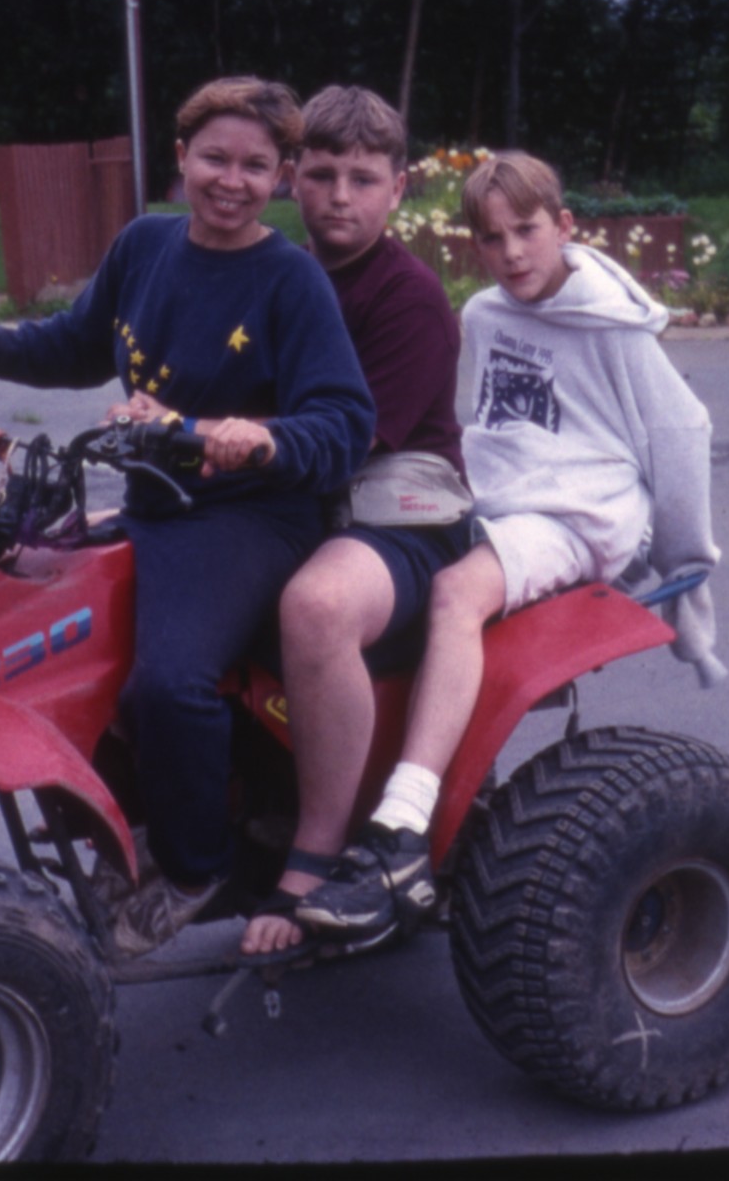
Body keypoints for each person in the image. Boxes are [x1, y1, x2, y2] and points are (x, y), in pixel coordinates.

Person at [0, 77, 374, 958]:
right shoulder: (144, 246)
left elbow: (345, 424)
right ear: (180, 158)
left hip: (249, 517)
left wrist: (253, 438)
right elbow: (78, 340)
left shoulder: (289, 281)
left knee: (167, 685)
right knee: (29, 633)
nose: (232, 181)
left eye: (256, 166)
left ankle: (192, 865)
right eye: (215, 158)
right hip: (154, 504)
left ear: (281, 176)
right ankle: (125, 822)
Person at [294, 150, 725, 940]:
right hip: (495, 506)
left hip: (577, 514)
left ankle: (401, 829)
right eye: (491, 239)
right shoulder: (486, 316)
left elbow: (683, 432)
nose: (512, 253)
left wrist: (686, 562)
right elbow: (491, 432)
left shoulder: (616, 329)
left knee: (457, 593)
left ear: (564, 225)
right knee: (370, 568)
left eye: (526, 231)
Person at [240, 86, 470, 957]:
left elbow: (345, 444)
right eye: (323, 175)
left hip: (399, 512)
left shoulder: (408, 298)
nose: (341, 196)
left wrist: (220, 441)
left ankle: (317, 851)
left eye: (364, 179)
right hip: (290, 494)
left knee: (318, 605)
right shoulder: (271, 271)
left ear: (398, 189)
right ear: (291, 178)